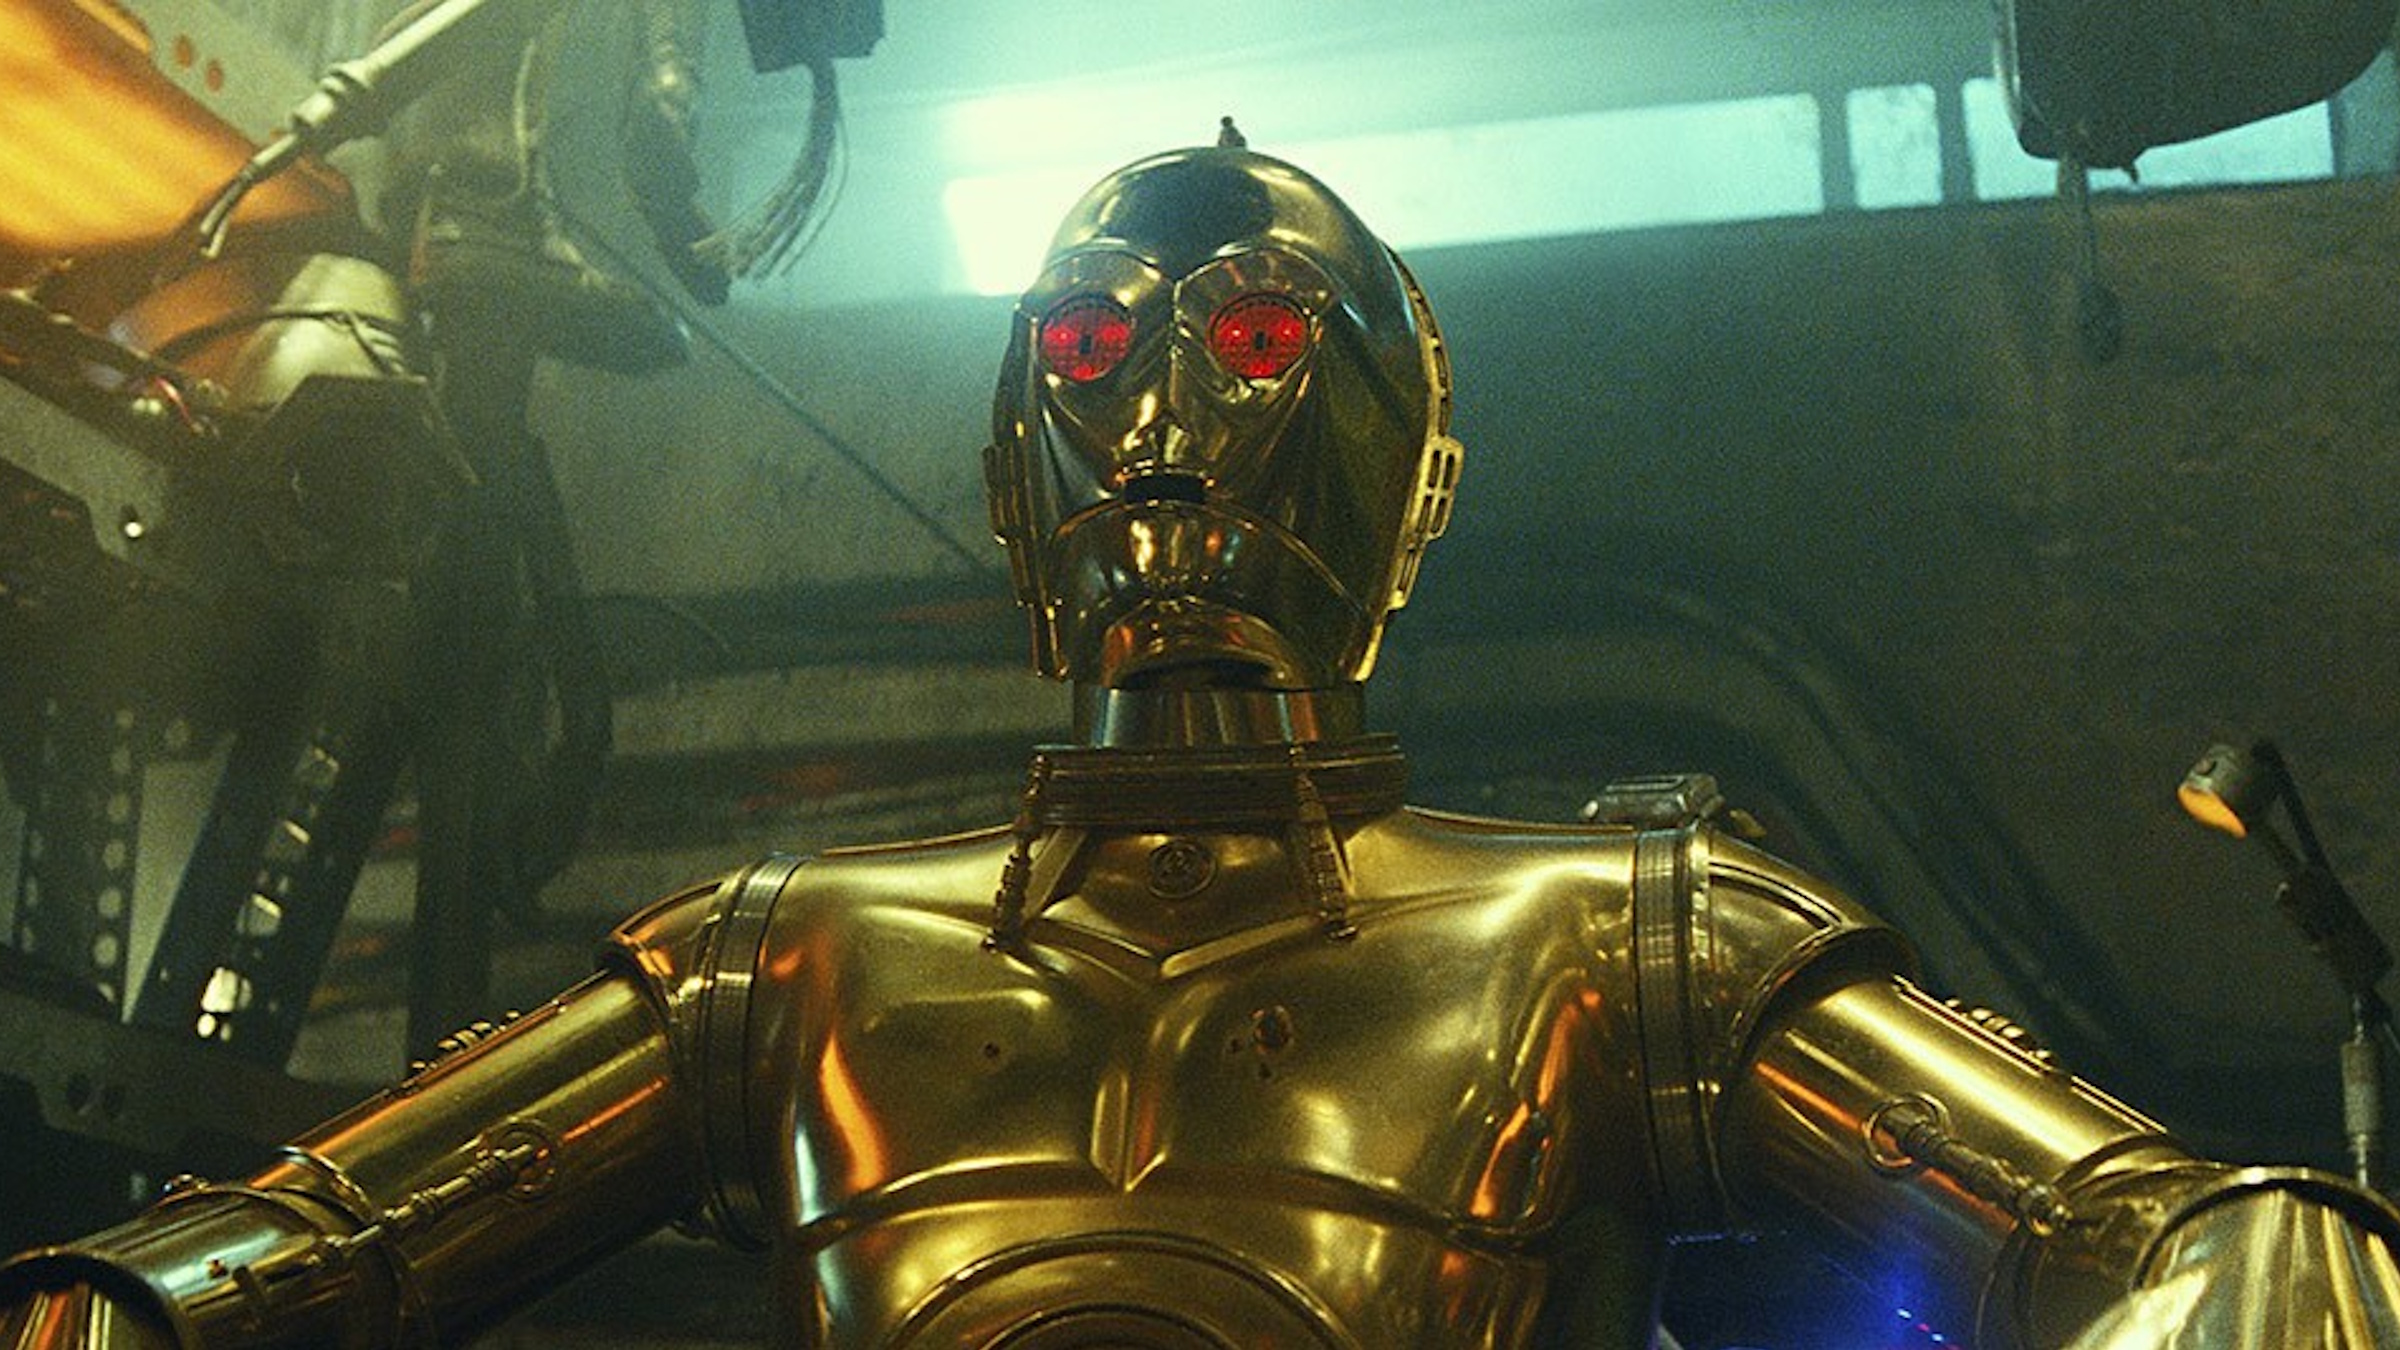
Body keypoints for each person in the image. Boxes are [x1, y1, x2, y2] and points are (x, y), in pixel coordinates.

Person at [5, 128, 2397, 1350]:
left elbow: (2209, 1232)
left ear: (1391, 463)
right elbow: (264, 1262)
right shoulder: (796, 951)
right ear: (1013, 453)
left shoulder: (1617, 934)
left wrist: (2261, 1277)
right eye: (1085, 349)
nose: (1153, 423)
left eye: (1247, 347)